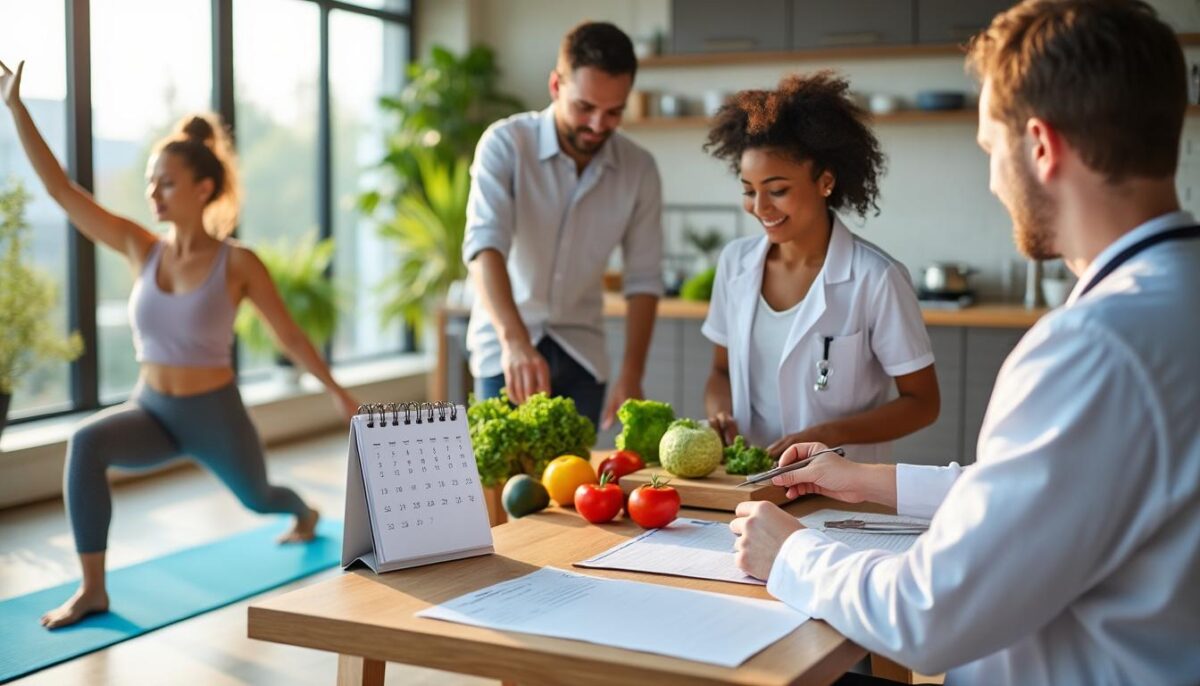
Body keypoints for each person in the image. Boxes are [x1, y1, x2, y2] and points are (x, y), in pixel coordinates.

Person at [729, 1, 1200, 683]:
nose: (992, 180)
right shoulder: (1168, 304)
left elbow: (928, 615)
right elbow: (1056, 490)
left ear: (1040, 145)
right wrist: (861, 480)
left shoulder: (1094, 349)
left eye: (988, 150)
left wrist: (792, 555)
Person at [1, 60, 360, 629]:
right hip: (152, 409)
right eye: (150, 181)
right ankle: (93, 588)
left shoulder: (238, 262)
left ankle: (304, 510)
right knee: (85, 444)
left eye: (165, 182)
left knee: (260, 497)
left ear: (204, 187)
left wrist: (338, 393)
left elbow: (287, 332)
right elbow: (61, 192)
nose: (153, 192)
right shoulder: (140, 248)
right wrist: (16, 109)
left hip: (213, 414)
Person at [702, 72, 940, 462]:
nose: (760, 208)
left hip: (843, 491)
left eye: (777, 190)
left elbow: (923, 402)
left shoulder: (877, 278)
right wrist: (720, 413)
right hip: (750, 482)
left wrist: (828, 435)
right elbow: (720, 373)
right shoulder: (735, 264)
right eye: (749, 190)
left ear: (825, 181)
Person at [464, 21, 662, 429]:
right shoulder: (505, 145)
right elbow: (485, 247)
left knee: (572, 488)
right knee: (501, 488)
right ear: (556, 86)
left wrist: (632, 372)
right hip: (506, 350)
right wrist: (514, 341)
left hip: (583, 355)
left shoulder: (638, 169)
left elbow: (643, 280)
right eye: (584, 108)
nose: (596, 126)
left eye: (613, 113)